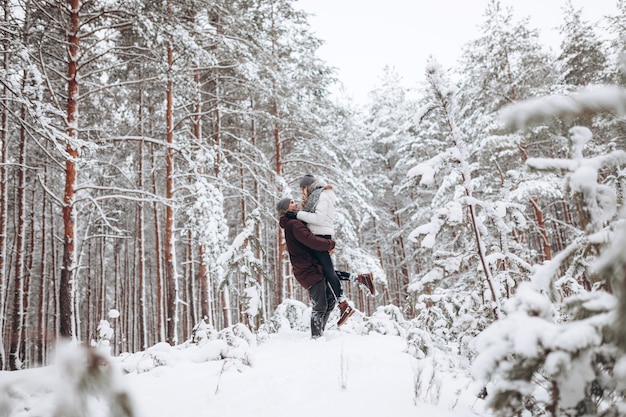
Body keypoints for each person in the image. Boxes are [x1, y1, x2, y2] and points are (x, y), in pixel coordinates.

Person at [286, 173, 375, 326]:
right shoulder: (319, 195)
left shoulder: (322, 196)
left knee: (327, 271)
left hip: (320, 237)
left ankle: (344, 304)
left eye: (303, 189)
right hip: (321, 236)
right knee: (325, 271)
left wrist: (298, 214)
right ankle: (360, 279)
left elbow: (319, 219)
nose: (303, 194)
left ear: (308, 186)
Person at [276, 197, 337, 338]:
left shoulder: (296, 223)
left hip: (314, 267)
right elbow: (311, 241)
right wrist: (330, 244)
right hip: (308, 269)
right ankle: (316, 337)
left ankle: (320, 332)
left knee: (330, 300)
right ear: (284, 209)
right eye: (291, 203)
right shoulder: (293, 224)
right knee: (320, 305)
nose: (295, 203)